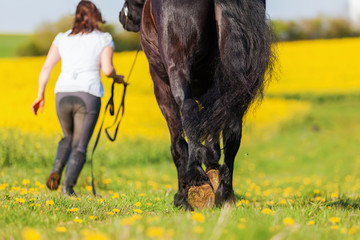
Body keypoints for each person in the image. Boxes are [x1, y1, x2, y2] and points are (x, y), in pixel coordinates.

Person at [31, 0, 125, 195]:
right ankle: (68, 188)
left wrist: (40, 94)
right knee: (80, 145)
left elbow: (47, 67)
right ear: (96, 16)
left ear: (76, 17)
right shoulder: (104, 38)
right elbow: (107, 70)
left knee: (68, 136)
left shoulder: (62, 38)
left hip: (62, 93)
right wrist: (118, 78)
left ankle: (57, 170)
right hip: (87, 93)